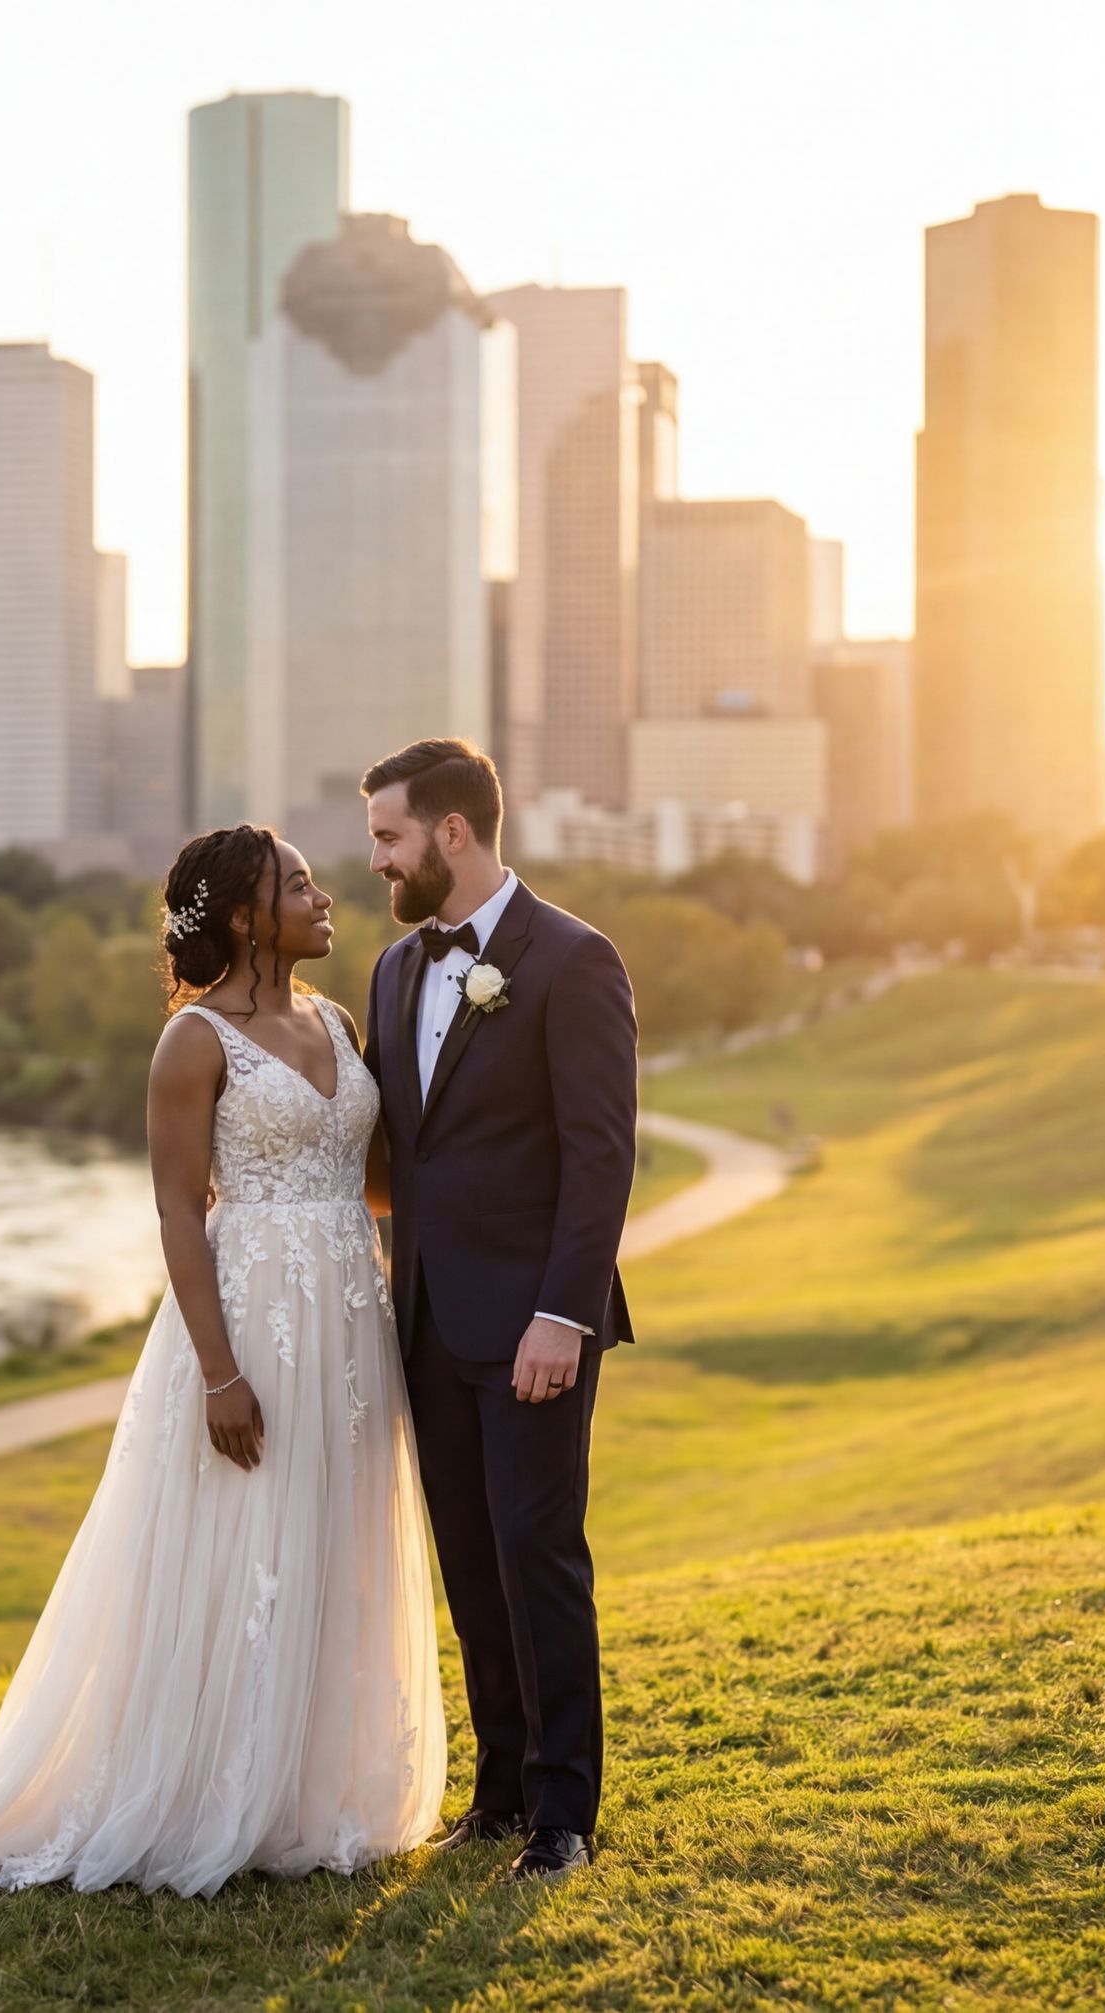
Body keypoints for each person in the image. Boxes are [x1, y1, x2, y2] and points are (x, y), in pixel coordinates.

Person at [0, 825, 444, 1898]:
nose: (325, 896)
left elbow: (381, 1182)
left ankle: (316, 1791)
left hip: (349, 1318)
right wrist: (219, 1372)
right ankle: (211, 1788)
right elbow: (177, 1209)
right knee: (241, 1542)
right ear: (249, 917)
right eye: (299, 883)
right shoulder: (194, 1043)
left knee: (332, 1531)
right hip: (247, 1316)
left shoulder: (339, 1021)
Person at [358, 737, 639, 1881]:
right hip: (425, 1319)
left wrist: (561, 1318)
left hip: (533, 1326)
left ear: (453, 833)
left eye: (389, 836)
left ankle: (566, 1813)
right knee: (471, 1563)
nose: (376, 859)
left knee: (538, 1556)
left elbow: (600, 1155)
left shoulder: (573, 961)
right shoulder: (393, 969)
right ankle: (505, 1790)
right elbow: (401, 1153)